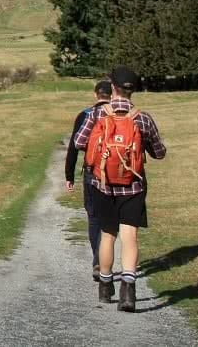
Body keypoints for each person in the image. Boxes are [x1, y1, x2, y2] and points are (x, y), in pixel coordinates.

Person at [73, 66, 166, 312]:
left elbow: (79, 142)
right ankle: (128, 291)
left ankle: (105, 287)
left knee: (107, 234)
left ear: (112, 87)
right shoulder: (142, 118)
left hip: (101, 185)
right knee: (130, 236)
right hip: (133, 186)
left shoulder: (97, 115)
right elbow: (159, 153)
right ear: (132, 90)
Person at [66, 79, 113, 290]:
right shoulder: (120, 114)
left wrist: (69, 175)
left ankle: (98, 262)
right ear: (112, 95)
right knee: (111, 220)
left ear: (96, 94)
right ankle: (106, 261)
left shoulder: (86, 114)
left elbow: (74, 147)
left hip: (92, 172)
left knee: (93, 218)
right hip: (116, 174)